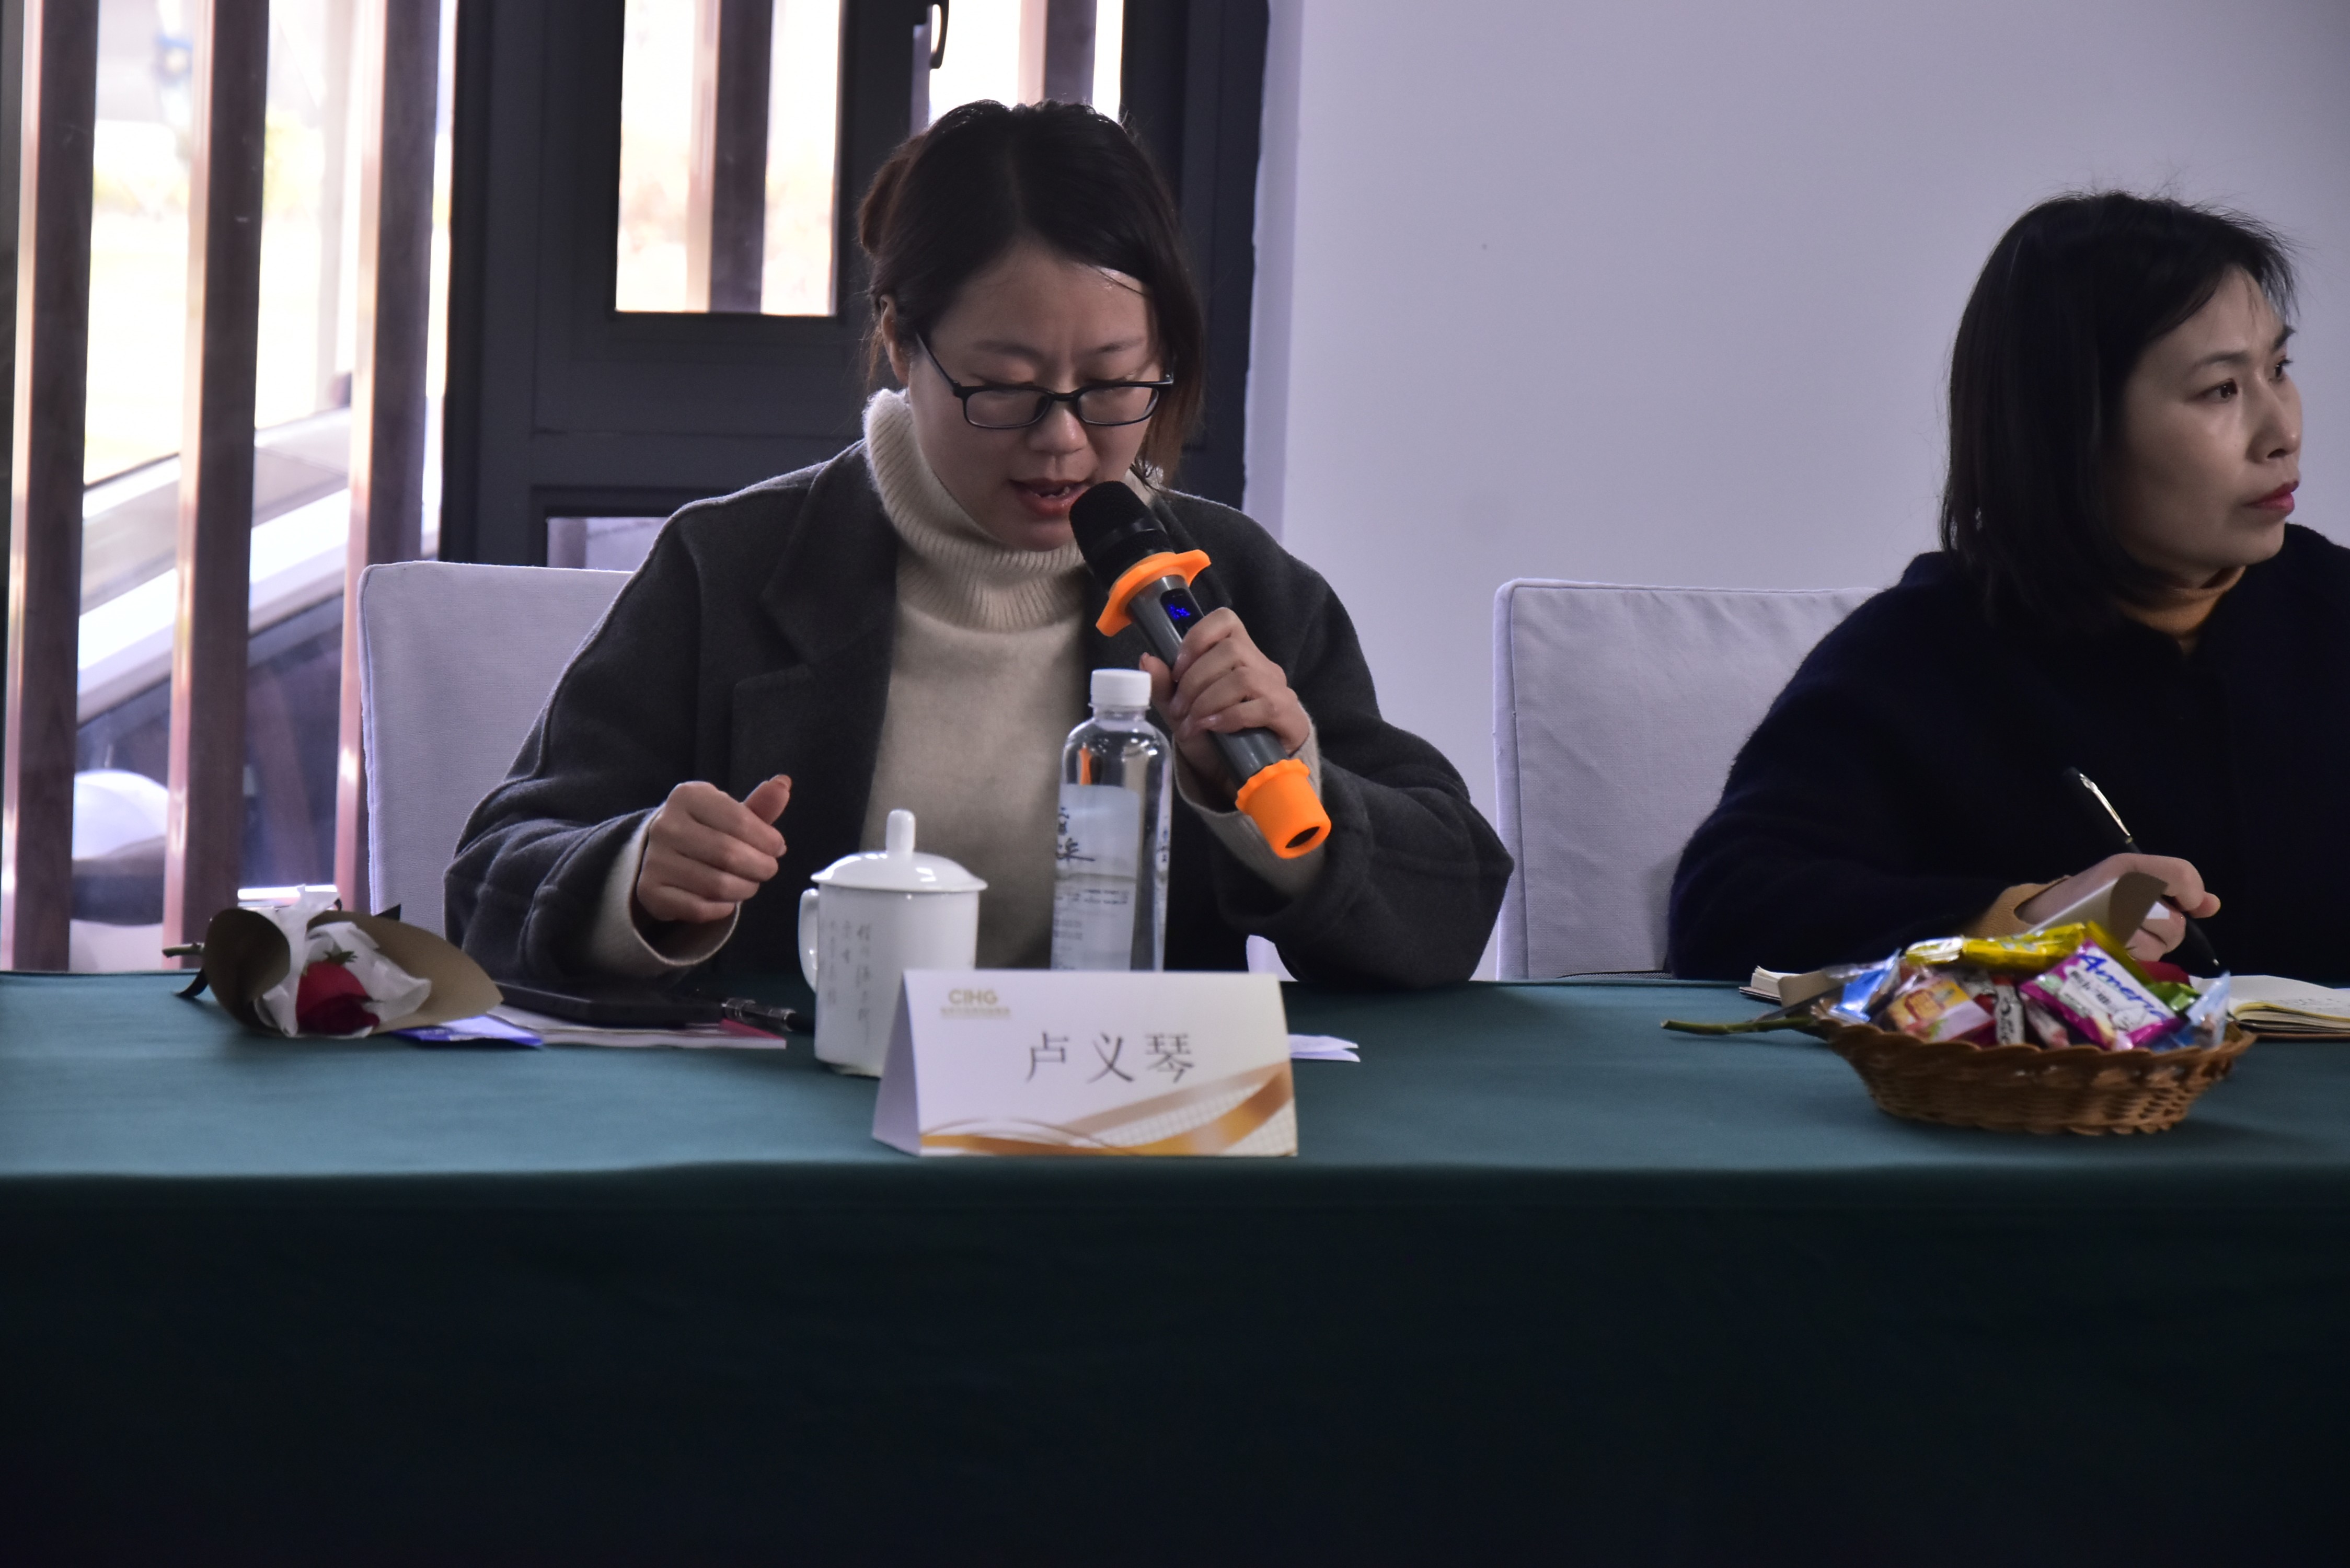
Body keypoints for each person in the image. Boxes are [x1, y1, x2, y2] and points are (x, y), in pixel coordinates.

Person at [448, 101, 1509, 989]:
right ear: (901, 342)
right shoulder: (727, 567)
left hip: (1132, 1132)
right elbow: (490, 880)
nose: (1063, 441)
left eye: (1113, 385)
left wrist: (1285, 791)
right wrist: (636, 877)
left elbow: (1453, 905)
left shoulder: (1236, 587)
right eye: (1004, 388)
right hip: (806, 1137)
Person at [1669, 191, 2347, 983]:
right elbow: (1722, 911)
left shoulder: (2330, 608)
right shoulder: (1921, 654)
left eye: (2278, 370)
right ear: (2070, 425)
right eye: (2221, 390)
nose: (2284, 432)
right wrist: (2023, 922)